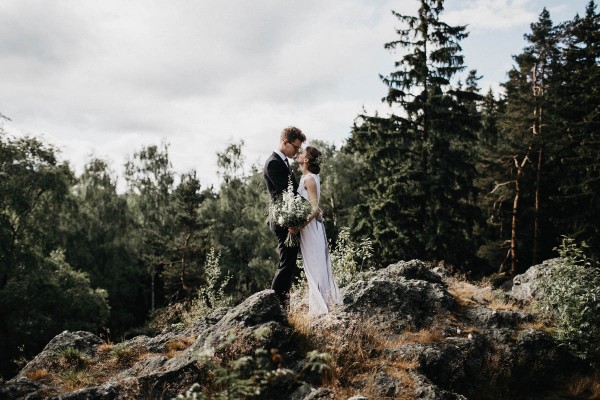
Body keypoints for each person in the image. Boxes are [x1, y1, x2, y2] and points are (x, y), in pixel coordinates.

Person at [296, 146, 343, 315]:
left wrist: (298, 227)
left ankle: (321, 307)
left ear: (307, 159)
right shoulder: (308, 177)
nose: (298, 154)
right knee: (313, 265)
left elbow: (314, 209)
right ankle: (320, 304)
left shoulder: (309, 178)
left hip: (310, 229)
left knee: (316, 265)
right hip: (309, 228)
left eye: (302, 153)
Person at [263, 126, 307, 307]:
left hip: (289, 218)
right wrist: (301, 215)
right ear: (285, 142)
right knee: (286, 263)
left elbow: (295, 191)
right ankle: (276, 304)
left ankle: (282, 303)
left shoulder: (284, 162)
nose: (297, 151)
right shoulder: (273, 162)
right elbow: (284, 195)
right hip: (284, 221)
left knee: (289, 264)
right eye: (295, 147)